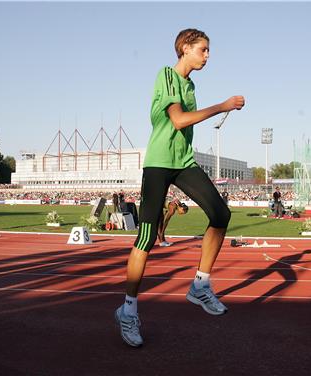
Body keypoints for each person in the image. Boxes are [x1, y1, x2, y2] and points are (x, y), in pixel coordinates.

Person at [115, 28, 245, 347]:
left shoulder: (190, 84)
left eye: (208, 50)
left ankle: (200, 285)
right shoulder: (166, 76)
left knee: (220, 213)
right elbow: (178, 121)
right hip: (159, 162)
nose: (207, 55)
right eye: (203, 49)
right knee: (146, 235)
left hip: (183, 161)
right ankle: (128, 310)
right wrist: (223, 105)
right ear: (185, 48)